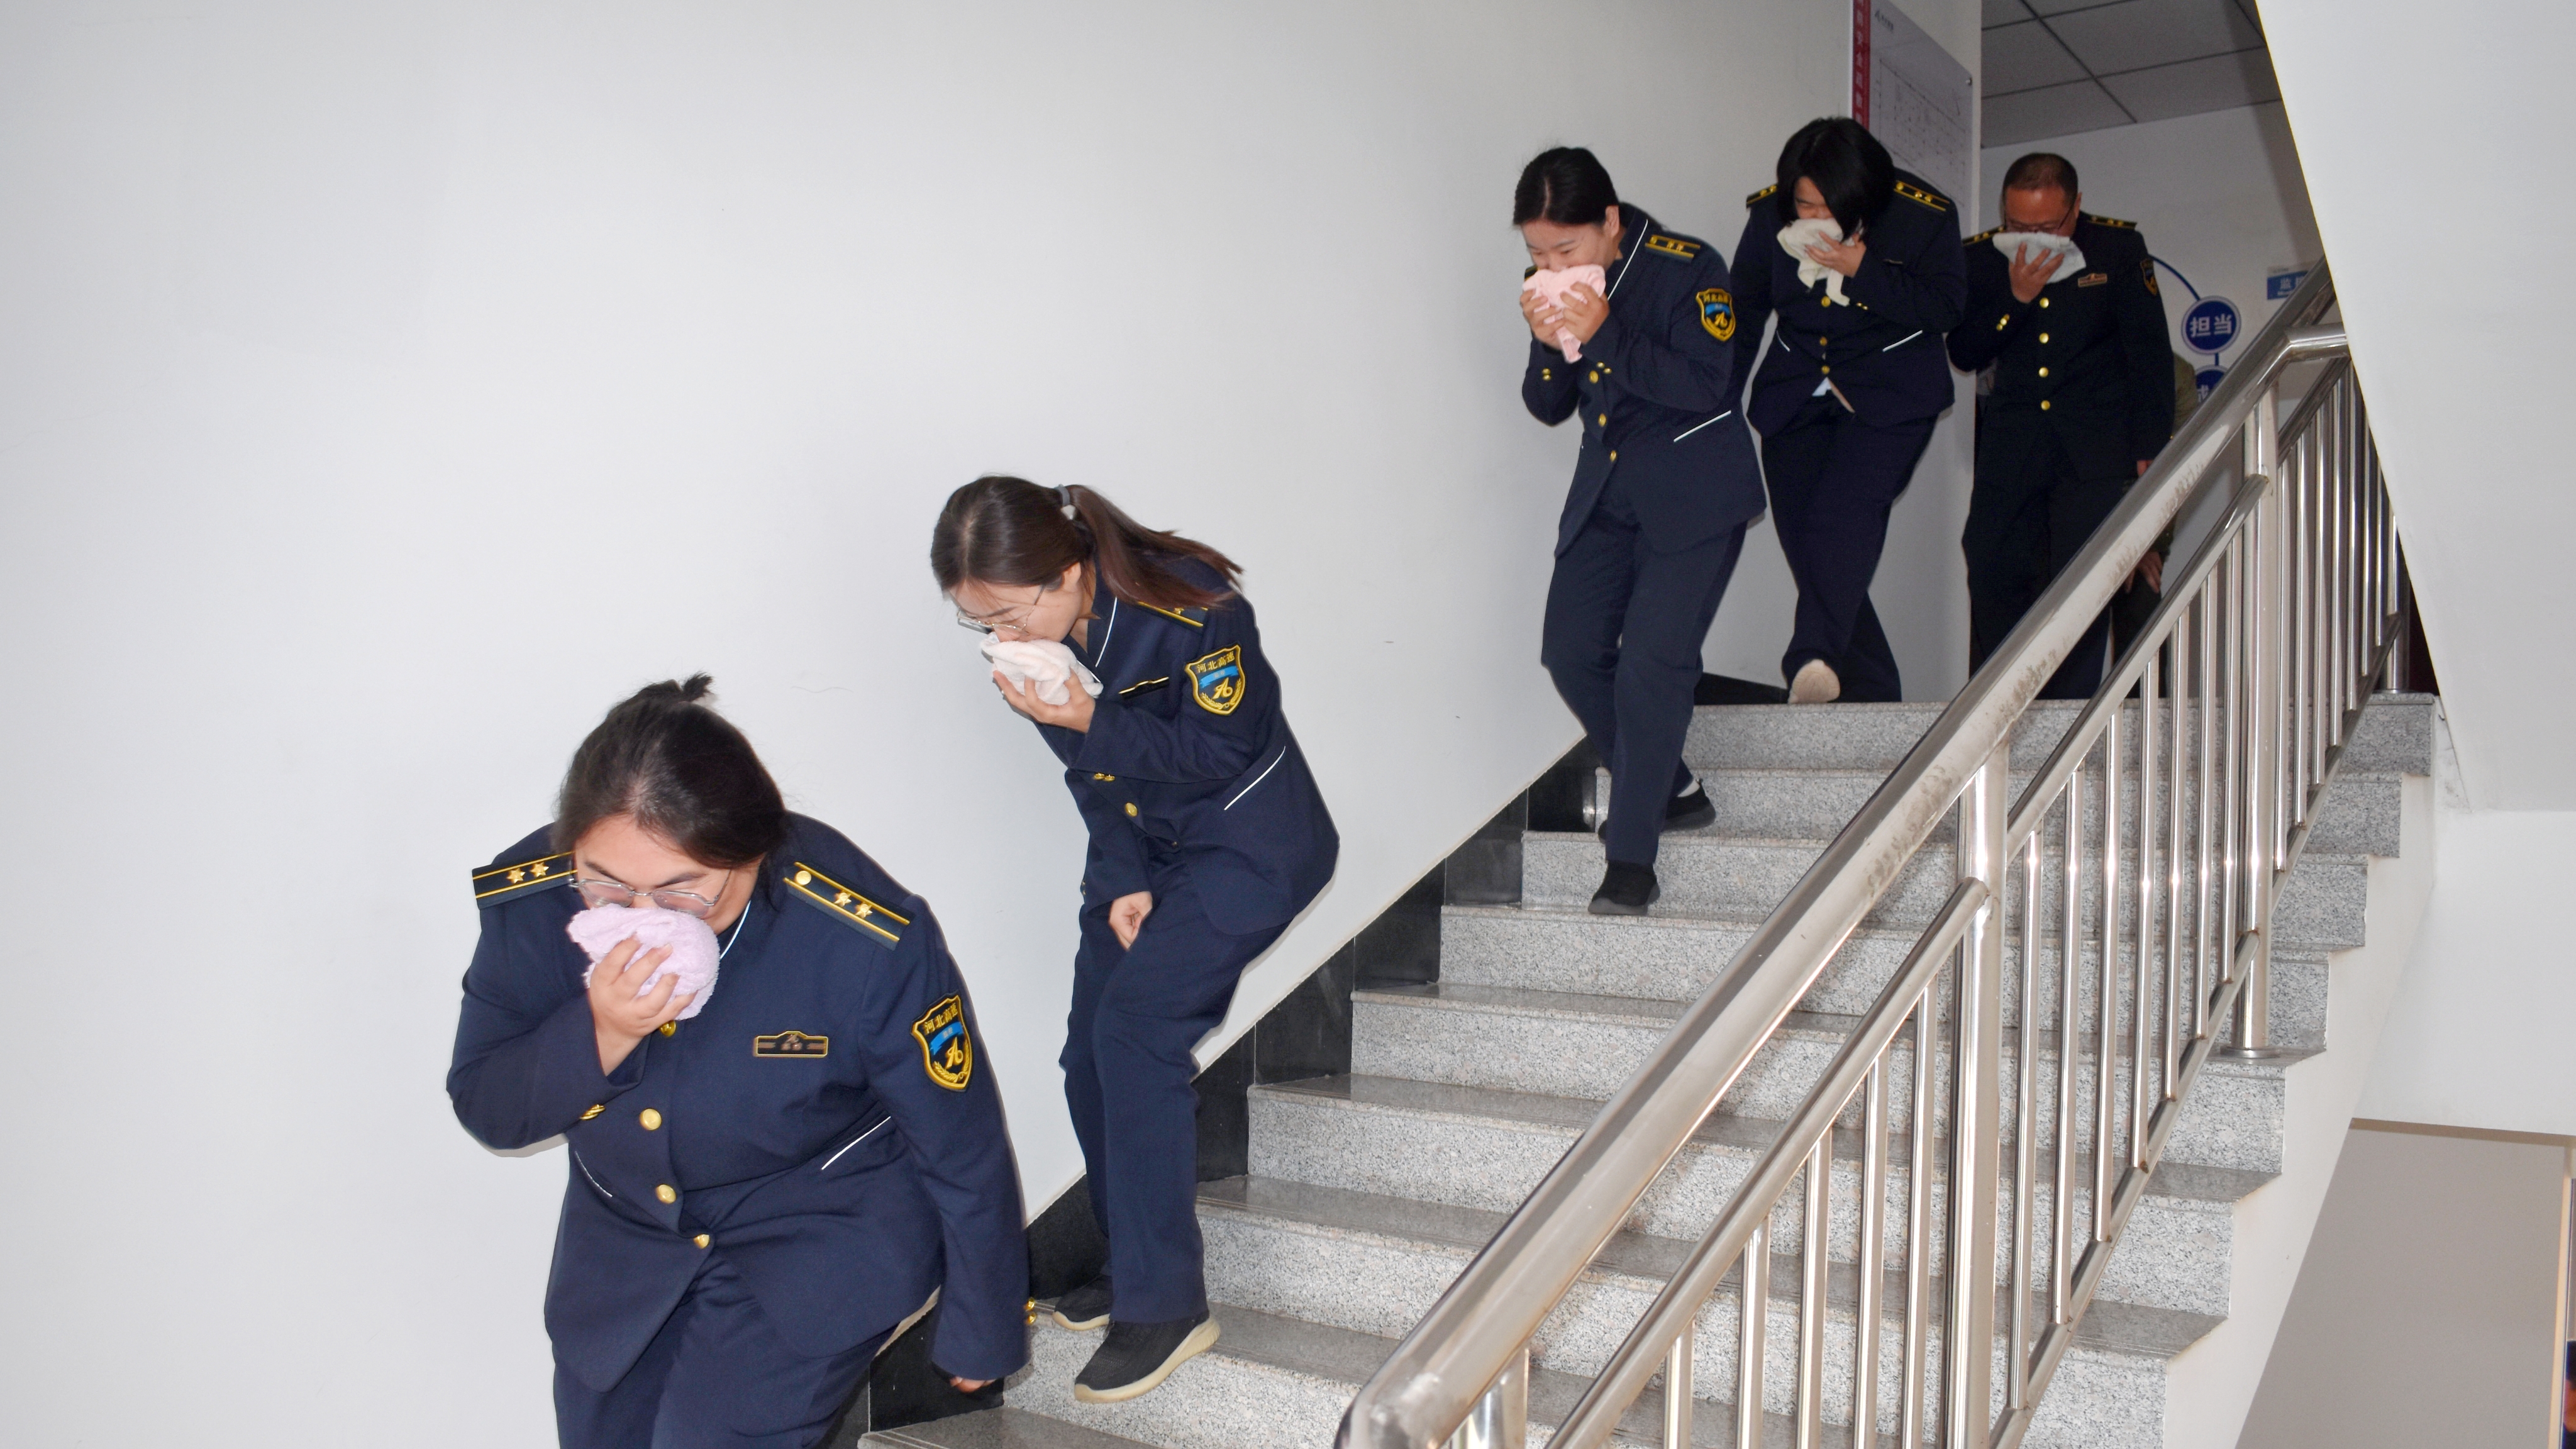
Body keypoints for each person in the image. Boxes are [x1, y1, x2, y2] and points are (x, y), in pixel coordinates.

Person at [448, 677, 1028, 1448]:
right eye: (607, 885)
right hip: (627, 1245)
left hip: (819, 1235)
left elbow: (959, 1136)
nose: (642, 918)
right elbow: (490, 1107)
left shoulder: (861, 934)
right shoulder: (532, 904)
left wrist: (985, 1318)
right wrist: (601, 1030)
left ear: (751, 852)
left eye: (683, 890)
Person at [931, 477, 1337, 1403]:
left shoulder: (1194, 606)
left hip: (1250, 845)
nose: (999, 635)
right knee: (1087, 1054)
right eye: (978, 621)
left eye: (1006, 613)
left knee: (1136, 1034)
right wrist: (1122, 877)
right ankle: (1130, 1260)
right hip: (1146, 854)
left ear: (1068, 572)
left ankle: (1166, 1307)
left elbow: (1221, 751)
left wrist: (1087, 717)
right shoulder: (1042, 645)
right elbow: (1092, 774)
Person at [1514, 146, 1765, 916]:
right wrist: (1547, 340)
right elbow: (1547, 404)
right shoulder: (1554, 283)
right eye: (1537, 254)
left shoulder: (1690, 268)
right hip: (1608, 493)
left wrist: (1606, 331)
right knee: (1568, 651)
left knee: (1650, 667)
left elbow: (1706, 384)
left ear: (1610, 221)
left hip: (1695, 493)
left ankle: (1630, 859)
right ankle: (1674, 786)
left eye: (1566, 249)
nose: (1551, 266)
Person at [1729, 117, 1968, 705]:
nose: (1811, 215)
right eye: (1802, 204)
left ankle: (1809, 659)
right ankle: (1874, 694)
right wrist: (1717, 405)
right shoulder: (1768, 217)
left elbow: (1945, 307)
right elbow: (1742, 313)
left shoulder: (1924, 215)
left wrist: (1863, 272)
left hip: (1890, 396)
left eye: (1825, 206)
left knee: (1841, 517)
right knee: (1812, 551)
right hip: (1795, 391)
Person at [1949, 152, 2174, 697]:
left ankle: (2063, 711)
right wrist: (2015, 298)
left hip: (2094, 451)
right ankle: (2002, 694)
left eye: (2048, 227)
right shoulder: (1981, 257)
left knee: (2081, 582)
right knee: (1990, 560)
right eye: (2018, 225)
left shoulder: (2117, 249)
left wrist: (2151, 451)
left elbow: (2148, 355)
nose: (2033, 239)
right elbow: (1965, 351)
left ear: (2076, 208)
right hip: (2013, 447)